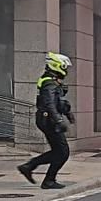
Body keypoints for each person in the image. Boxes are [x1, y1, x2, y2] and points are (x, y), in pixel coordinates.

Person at [19, 53, 75, 190]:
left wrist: (67, 112)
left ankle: (29, 166)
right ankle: (48, 180)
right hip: (48, 120)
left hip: (48, 119)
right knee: (62, 152)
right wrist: (59, 120)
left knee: (59, 151)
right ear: (58, 66)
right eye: (64, 67)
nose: (66, 70)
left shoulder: (51, 80)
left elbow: (57, 101)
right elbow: (49, 103)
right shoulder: (49, 82)